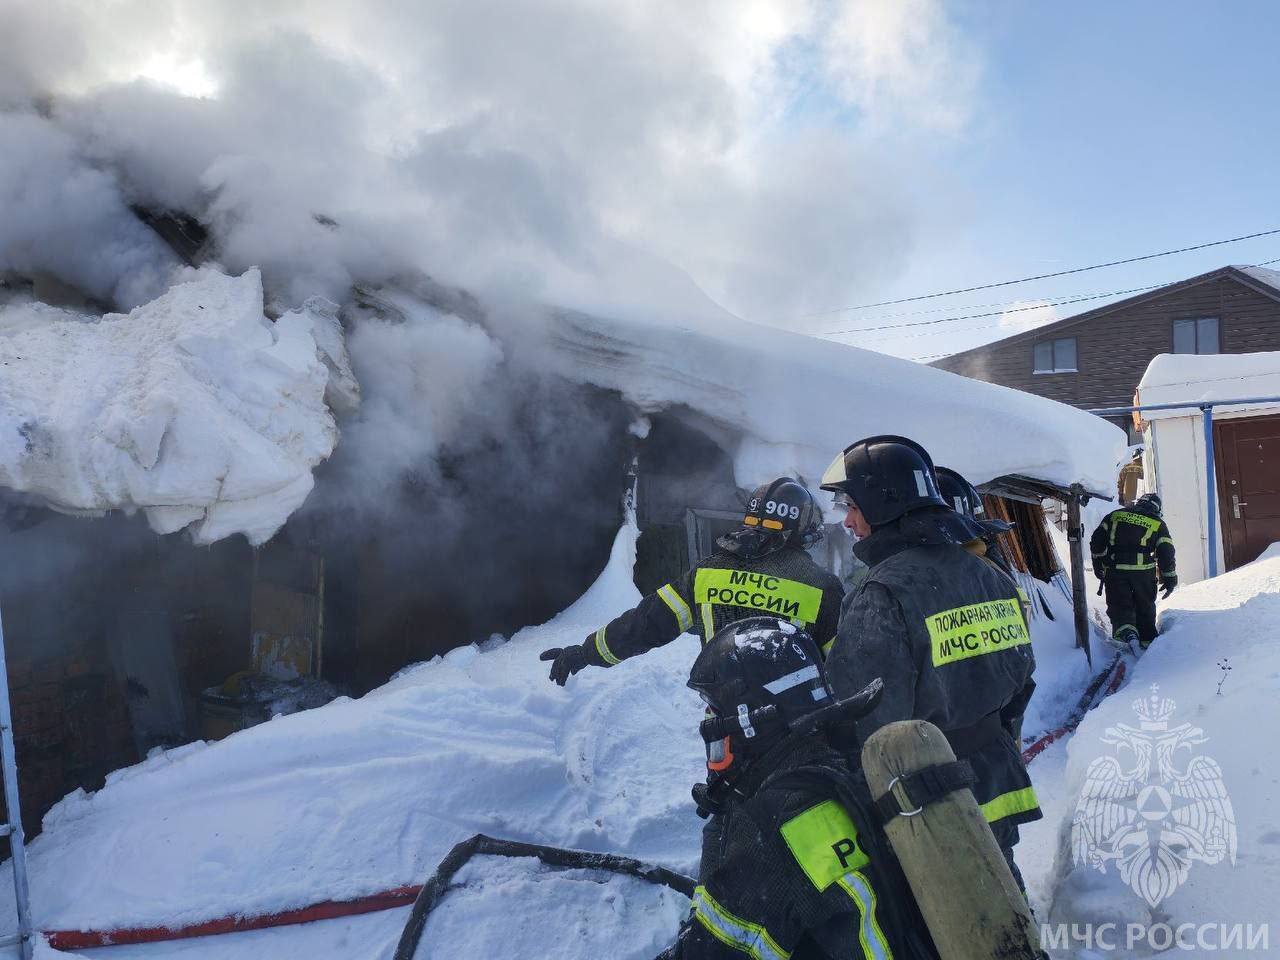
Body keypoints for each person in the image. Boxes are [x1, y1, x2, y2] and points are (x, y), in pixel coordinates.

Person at [819, 436, 1040, 889]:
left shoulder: (881, 593)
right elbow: (1021, 677)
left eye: (852, 506)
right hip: (996, 779)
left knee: (951, 916)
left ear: (882, 504)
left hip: (930, 801)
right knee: (1003, 895)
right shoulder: (990, 576)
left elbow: (867, 723)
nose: (848, 521)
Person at [660, 616, 939, 960]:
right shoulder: (856, 770)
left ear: (752, 727)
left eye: (717, 718)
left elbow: (711, 952)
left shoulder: (771, 828)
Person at [540, 478, 845, 684]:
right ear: (803, 527)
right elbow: (845, 666)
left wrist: (585, 653)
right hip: (797, 727)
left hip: (724, 726)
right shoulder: (822, 587)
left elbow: (646, 624)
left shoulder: (707, 573)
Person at [1089, 492, 1176, 653]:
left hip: (1116, 571)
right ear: (1156, 509)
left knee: (1120, 605)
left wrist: (1099, 563)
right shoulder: (1157, 523)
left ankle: (1125, 637)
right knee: (1145, 606)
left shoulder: (1115, 515)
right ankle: (1147, 643)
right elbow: (1166, 552)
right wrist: (1170, 578)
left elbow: (1097, 541)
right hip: (1143, 574)